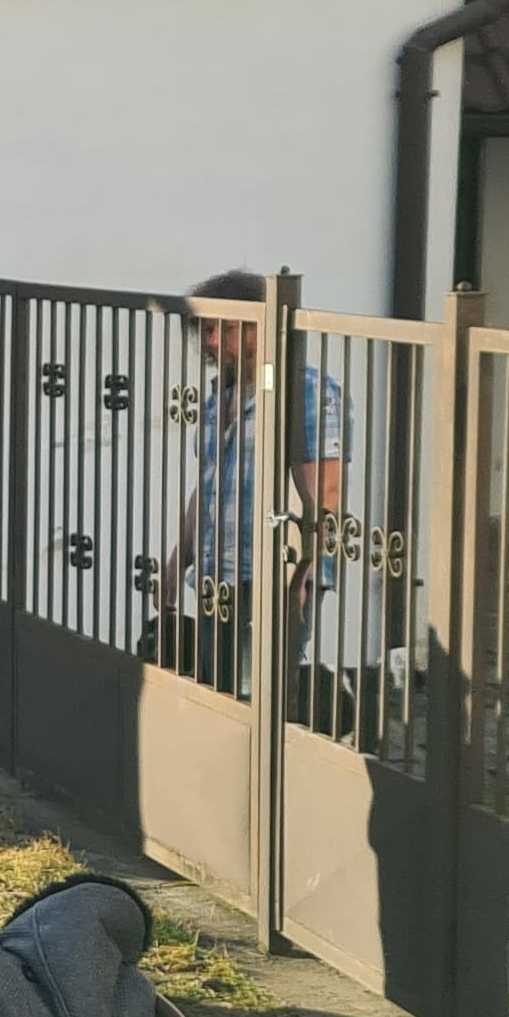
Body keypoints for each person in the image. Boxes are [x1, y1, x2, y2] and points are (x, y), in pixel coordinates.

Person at [158, 268, 351, 705]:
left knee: (255, 699)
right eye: (205, 331)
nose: (210, 342)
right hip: (217, 578)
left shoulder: (307, 391)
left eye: (221, 330)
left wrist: (299, 577)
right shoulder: (218, 398)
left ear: (256, 328)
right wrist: (178, 560)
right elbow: (209, 485)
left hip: (272, 575)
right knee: (218, 694)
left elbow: (325, 491)